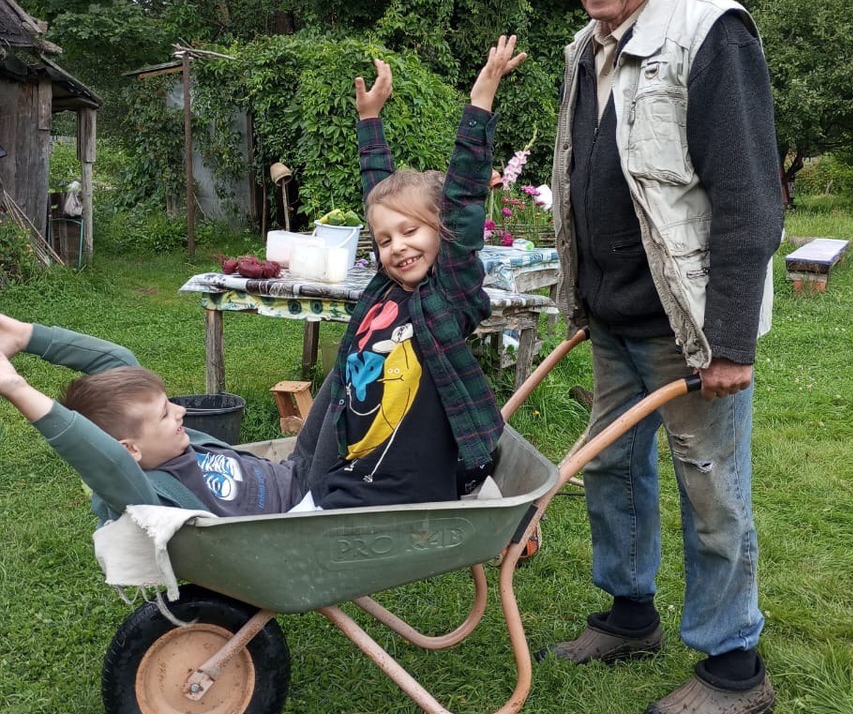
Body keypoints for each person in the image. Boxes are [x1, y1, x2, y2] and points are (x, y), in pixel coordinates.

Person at [0, 36, 525, 522]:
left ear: (442, 235)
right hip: (345, 480)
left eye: (412, 232)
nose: (395, 246)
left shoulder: (443, 300)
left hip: (379, 485)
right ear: (126, 451)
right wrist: (17, 389)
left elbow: (452, 207)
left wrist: (24, 336)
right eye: (384, 240)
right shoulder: (137, 480)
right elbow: (383, 204)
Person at [543, 0, 784, 714]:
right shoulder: (584, 49)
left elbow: (751, 199)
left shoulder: (710, 34)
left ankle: (733, 667)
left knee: (709, 491)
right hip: (613, 317)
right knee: (611, 470)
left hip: (689, 329)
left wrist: (727, 341)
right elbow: (584, 182)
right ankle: (629, 616)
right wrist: (581, 297)